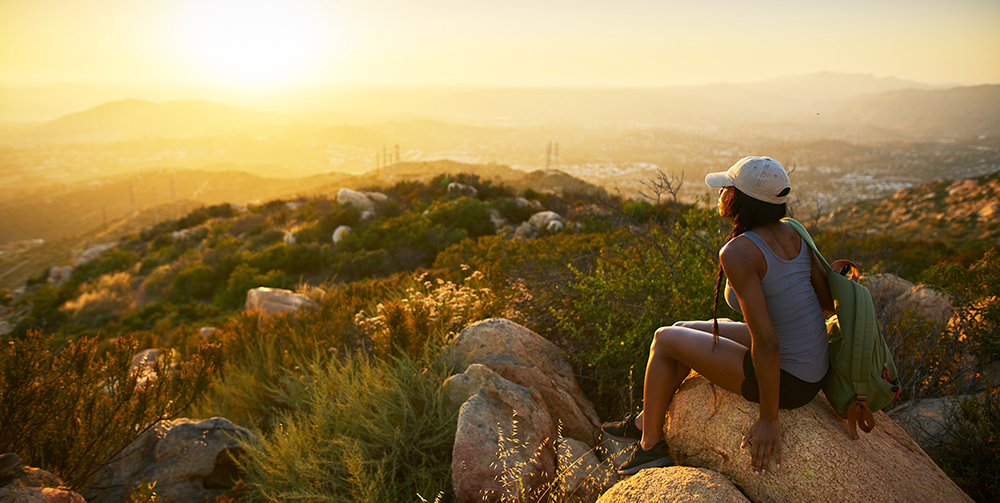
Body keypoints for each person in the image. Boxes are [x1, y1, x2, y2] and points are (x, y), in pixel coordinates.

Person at [602, 156, 834, 476]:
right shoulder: (794, 232)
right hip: (812, 366)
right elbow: (827, 302)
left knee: (664, 338)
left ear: (741, 199)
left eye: (727, 188)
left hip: (790, 380)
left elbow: (766, 344)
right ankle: (646, 420)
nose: (721, 193)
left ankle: (650, 447)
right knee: (683, 329)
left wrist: (769, 419)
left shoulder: (739, 251)